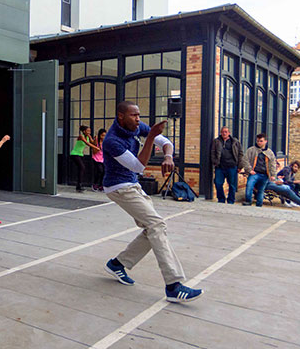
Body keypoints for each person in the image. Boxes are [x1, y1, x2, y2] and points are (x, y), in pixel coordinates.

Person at [102, 101, 203, 303]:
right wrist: (149, 139)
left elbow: (166, 142)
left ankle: (118, 264)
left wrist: (168, 156)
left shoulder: (138, 126)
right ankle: (174, 285)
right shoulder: (112, 141)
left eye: (139, 115)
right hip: (118, 187)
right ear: (121, 116)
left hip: (132, 185)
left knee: (152, 229)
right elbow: (138, 166)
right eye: (133, 115)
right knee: (157, 224)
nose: (138, 119)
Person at [210, 126, 245, 204]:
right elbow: (212, 152)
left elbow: (240, 154)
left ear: (229, 133)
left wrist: (240, 166)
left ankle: (231, 200)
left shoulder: (235, 142)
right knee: (218, 183)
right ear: (220, 133)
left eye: (226, 132)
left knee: (232, 185)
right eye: (223, 132)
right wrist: (215, 162)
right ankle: (221, 199)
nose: (224, 133)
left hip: (232, 167)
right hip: (220, 167)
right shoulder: (216, 141)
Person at [243, 133, 276, 207]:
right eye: (258, 141)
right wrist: (249, 170)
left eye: (261, 141)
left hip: (264, 174)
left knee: (261, 190)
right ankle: (248, 201)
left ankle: (259, 205)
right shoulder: (251, 150)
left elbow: (273, 164)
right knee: (249, 185)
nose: (259, 143)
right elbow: (245, 160)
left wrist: (273, 175)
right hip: (255, 173)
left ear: (265, 141)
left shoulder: (269, 152)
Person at [69, 125, 99, 192]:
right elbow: (87, 143)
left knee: (81, 169)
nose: (89, 132)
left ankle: (79, 186)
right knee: (82, 167)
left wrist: (95, 139)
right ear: (84, 131)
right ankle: (79, 186)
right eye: (88, 131)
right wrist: (95, 148)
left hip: (80, 155)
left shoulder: (88, 136)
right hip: (75, 154)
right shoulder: (81, 136)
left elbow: (93, 143)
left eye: (90, 131)